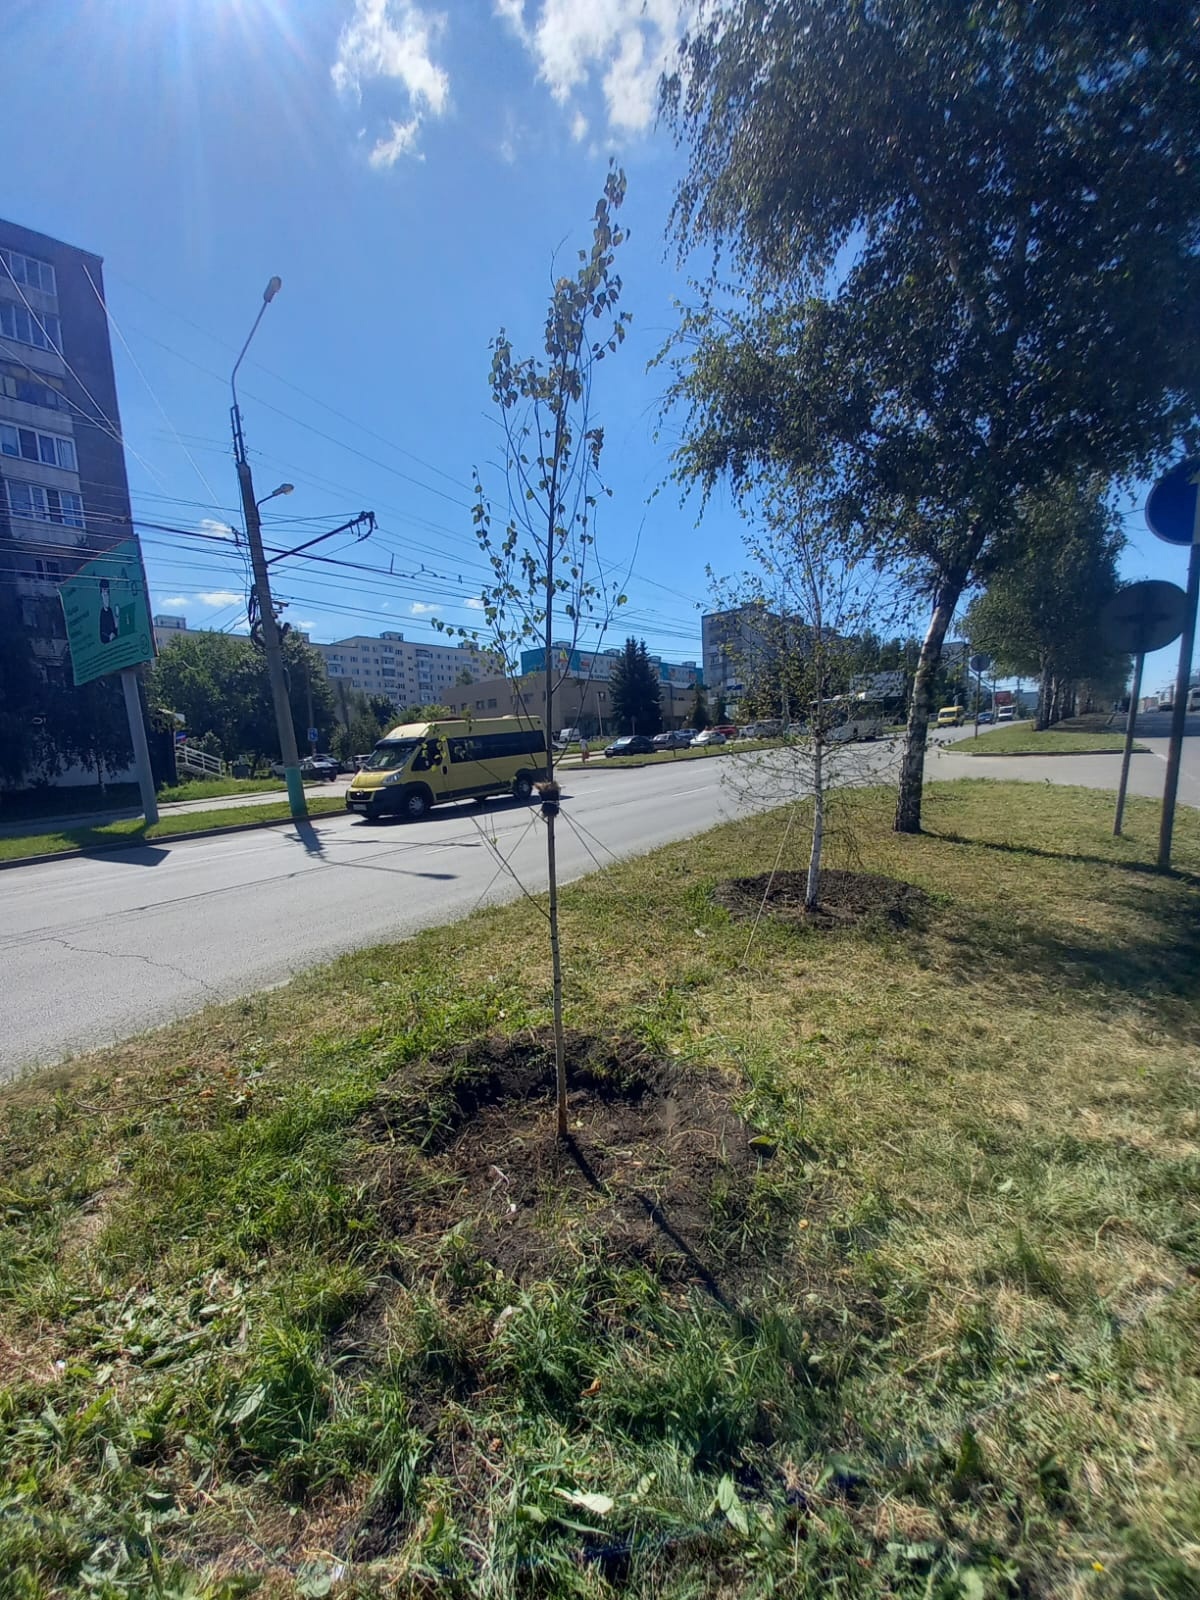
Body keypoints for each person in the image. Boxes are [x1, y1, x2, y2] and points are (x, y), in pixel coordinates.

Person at [98, 579, 119, 644]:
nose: (106, 598)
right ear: (101, 596)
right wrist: (110, 635)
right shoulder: (102, 613)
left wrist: (117, 617)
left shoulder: (110, 611)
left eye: (107, 594)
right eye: (104, 595)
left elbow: (115, 630)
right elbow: (102, 635)